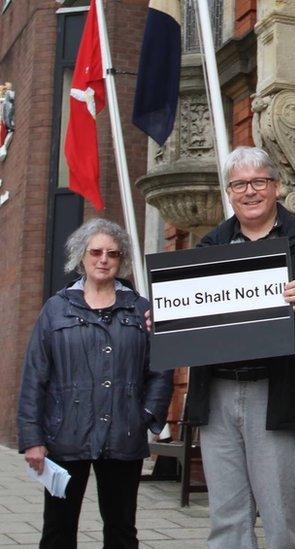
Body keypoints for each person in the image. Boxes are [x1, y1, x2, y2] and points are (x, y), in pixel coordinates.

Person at [184, 146, 295, 549]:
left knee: (283, 516)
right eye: (239, 184)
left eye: (259, 182)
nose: (249, 191)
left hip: (278, 391)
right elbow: (190, 317)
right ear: (229, 192)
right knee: (227, 519)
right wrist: (165, 323)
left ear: (277, 187)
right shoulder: (207, 247)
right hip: (216, 392)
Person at [18, 218, 174, 548]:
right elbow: (35, 375)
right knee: (58, 530)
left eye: (113, 253)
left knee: (121, 529)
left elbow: (161, 368)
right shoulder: (56, 310)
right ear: (81, 256)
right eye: (96, 252)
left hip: (123, 435)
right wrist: (32, 438)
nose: (104, 259)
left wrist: (144, 416)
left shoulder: (140, 310)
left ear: (121, 260)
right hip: (64, 437)